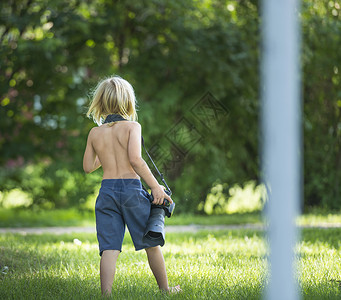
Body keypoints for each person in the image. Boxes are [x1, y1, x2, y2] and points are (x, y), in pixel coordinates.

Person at [83, 75, 181, 296]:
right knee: (151, 242)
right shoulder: (132, 126)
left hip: (107, 191)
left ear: (100, 102)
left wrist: (105, 152)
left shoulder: (95, 133)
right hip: (130, 190)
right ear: (128, 101)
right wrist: (156, 187)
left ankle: (105, 295)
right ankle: (165, 289)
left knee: (109, 247)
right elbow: (136, 159)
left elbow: (88, 166)